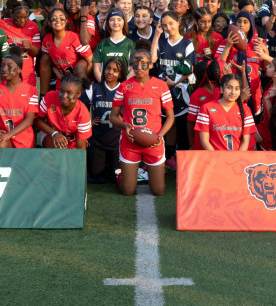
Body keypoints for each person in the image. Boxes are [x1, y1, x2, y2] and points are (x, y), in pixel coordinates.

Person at [109, 49, 175, 196]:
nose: (139, 68)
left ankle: (141, 174)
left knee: (158, 191)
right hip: (130, 142)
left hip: (154, 142)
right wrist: (125, 125)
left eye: (143, 64)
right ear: (131, 65)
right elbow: (113, 116)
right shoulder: (124, 86)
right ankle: (121, 176)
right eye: (135, 64)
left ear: (150, 65)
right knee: (128, 191)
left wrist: (160, 136)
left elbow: (170, 116)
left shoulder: (161, 86)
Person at [151, 11, 196, 166]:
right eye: (164, 25)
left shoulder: (187, 44)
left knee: (182, 124)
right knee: (167, 124)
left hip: (181, 91)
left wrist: (175, 83)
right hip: (163, 90)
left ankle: (182, 157)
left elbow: (189, 68)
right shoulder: (161, 42)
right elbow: (152, 59)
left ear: (178, 22)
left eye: (171, 23)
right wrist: (156, 37)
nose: (168, 27)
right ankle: (169, 156)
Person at [0, 54, 39, 149]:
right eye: (2, 66)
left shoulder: (31, 90)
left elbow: (29, 120)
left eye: (9, 66)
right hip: (2, 136)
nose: (4, 69)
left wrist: (8, 135)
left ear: (19, 70)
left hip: (23, 139)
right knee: (0, 143)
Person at [82, 58, 124, 183]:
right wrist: (89, 122)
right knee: (95, 176)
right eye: (107, 68)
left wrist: (124, 119)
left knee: (114, 176)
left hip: (117, 141)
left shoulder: (124, 89)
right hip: (97, 140)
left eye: (115, 70)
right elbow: (79, 108)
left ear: (120, 74)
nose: (110, 72)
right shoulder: (94, 88)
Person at [194, 73, 256, 151]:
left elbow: (245, 142)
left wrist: (237, 159)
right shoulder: (206, 108)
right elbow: (204, 141)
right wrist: (218, 159)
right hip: (214, 160)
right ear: (221, 89)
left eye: (237, 89)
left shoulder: (246, 110)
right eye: (229, 88)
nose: (233, 92)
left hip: (237, 160)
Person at [40, 7, 90, 93]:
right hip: (63, 82)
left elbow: (90, 60)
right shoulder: (47, 40)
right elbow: (50, 63)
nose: (58, 20)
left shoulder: (74, 38)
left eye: (61, 18)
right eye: (54, 18)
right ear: (49, 22)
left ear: (66, 21)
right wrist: (61, 76)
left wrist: (80, 79)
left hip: (78, 80)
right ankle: (42, 95)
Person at [35, 74, 92, 150]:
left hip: (73, 143)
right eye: (61, 91)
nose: (64, 96)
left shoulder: (83, 113)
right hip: (51, 135)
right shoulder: (49, 97)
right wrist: (54, 134)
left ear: (78, 94)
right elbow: (38, 120)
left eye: (69, 93)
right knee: (56, 147)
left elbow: (80, 147)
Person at [0, 0, 41, 86]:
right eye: (18, 17)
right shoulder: (2, 24)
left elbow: (38, 52)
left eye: (26, 18)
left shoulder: (33, 26)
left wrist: (31, 47)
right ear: (11, 14)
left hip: (27, 74)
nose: (22, 21)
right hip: (7, 72)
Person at [93, 9, 135, 82]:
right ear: (108, 22)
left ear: (124, 22)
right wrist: (105, 85)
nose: (116, 23)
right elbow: (96, 69)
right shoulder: (102, 44)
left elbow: (133, 70)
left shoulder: (130, 44)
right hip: (105, 85)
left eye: (119, 20)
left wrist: (122, 86)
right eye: (112, 20)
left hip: (124, 86)